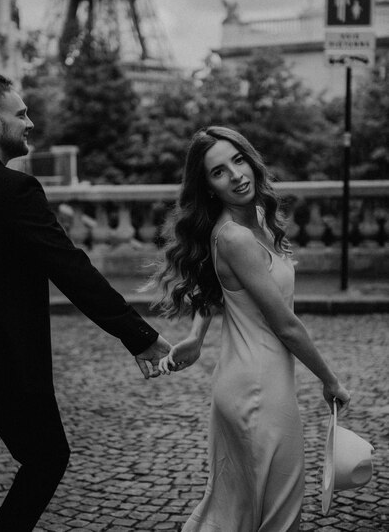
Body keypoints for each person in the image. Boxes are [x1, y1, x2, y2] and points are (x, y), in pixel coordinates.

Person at [0, 75, 171, 532]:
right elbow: (71, 269)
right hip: (2, 366)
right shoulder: (12, 191)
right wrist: (137, 334)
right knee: (47, 457)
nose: (31, 122)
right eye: (20, 113)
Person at [155, 126, 351, 531]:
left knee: (238, 511)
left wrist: (196, 336)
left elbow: (217, 287)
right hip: (260, 393)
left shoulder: (254, 217)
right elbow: (286, 325)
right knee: (279, 516)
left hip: (245, 382)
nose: (236, 175)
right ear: (208, 186)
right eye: (219, 172)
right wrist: (330, 381)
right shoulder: (235, 238)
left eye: (238, 160)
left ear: (250, 159)